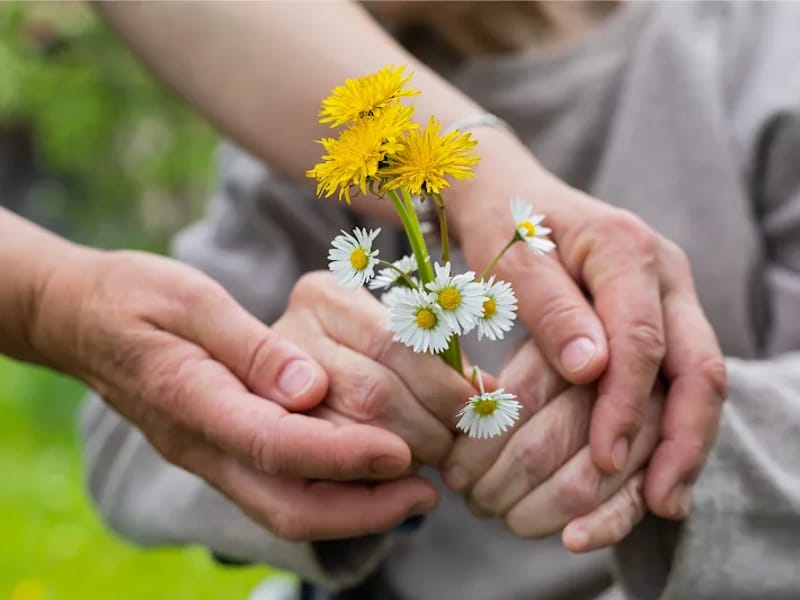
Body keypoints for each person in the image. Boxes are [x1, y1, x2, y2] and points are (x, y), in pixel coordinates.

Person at [83, 1, 800, 598]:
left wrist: (674, 433)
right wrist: (286, 403)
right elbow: (120, 427)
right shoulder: (315, 118)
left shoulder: (760, 47)